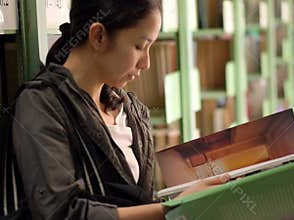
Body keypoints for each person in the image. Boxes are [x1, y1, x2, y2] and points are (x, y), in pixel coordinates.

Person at [12, 0, 230, 219]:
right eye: (140, 47)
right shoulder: (42, 104)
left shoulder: (132, 110)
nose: (146, 64)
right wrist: (174, 209)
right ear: (98, 36)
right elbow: (60, 213)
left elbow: (140, 201)